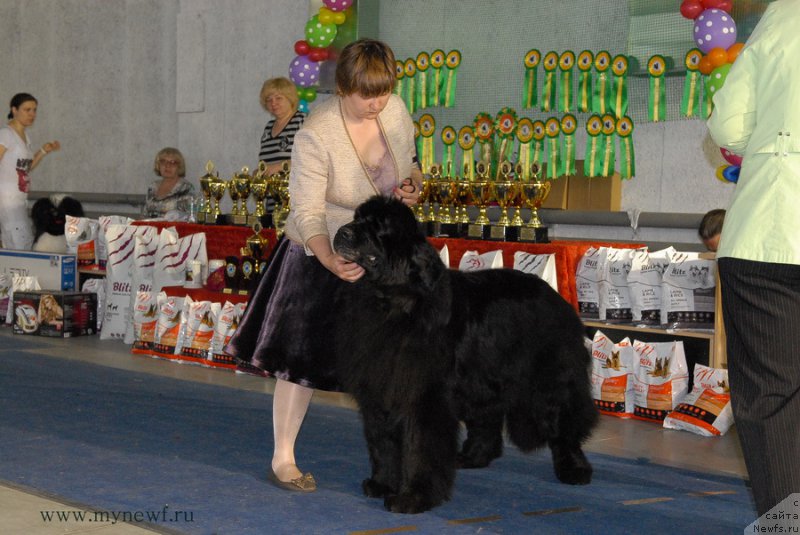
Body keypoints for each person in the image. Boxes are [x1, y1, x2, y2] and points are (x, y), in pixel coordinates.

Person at [225, 38, 422, 492]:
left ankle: (402, 453)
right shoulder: (315, 131)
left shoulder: (396, 110)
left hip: (383, 253)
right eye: (366, 95)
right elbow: (307, 211)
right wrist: (330, 258)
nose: (377, 103)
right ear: (342, 87)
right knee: (301, 361)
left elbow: (410, 165)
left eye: (384, 92)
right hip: (320, 251)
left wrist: (412, 185)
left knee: (398, 356)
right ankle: (283, 457)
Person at [707, 0, 800, 517]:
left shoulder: (785, 12)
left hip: (770, 230)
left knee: (772, 401)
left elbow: (729, 127)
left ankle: (787, 528)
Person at [0, 93, 60, 250]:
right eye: (27, 109)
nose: (32, 114)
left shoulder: (25, 136)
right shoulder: (6, 134)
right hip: (7, 200)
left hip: (19, 199)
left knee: (24, 242)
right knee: (19, 245)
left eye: (34, 110)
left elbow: (27, 166)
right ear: (14, 110)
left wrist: (43, 151)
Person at [258, 77, 306, 176]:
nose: (273, 103)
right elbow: (266, 162)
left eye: (278, 98)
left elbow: (311, 158)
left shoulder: (302, 120)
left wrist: (280, 166)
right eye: (269, 99)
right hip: (271, 190)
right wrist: (259, 172)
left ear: (290, 98)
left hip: (294, 189)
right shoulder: (268, 127)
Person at [142, 147, 195, 220]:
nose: (167, 166)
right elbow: (144, 215)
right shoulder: (152, 187)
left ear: (179, 167)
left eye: (173, 162)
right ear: (158, 165)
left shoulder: (185, 187)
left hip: (173, 230)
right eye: (163, 162)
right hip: (150, 229)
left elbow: (189, 217)